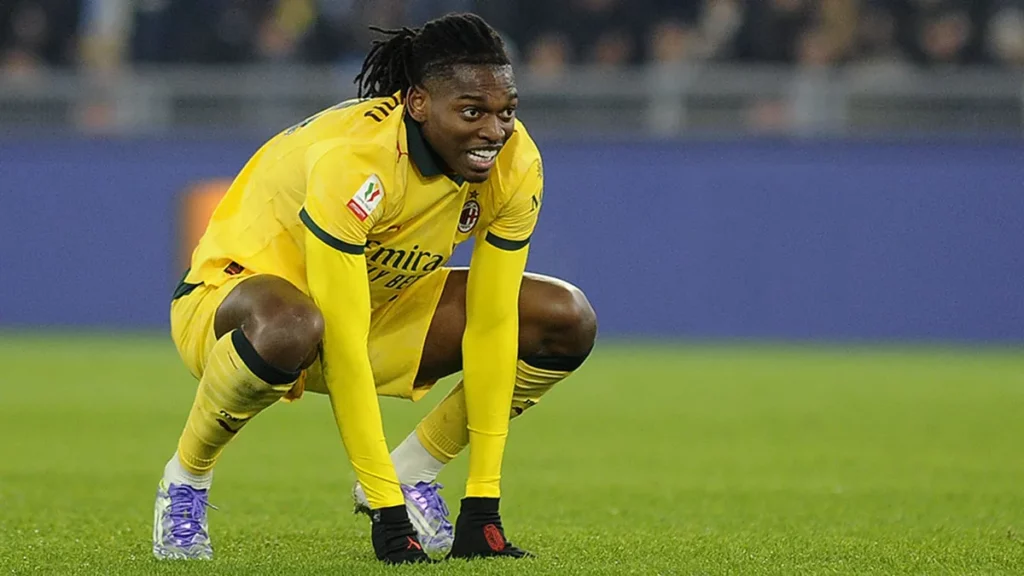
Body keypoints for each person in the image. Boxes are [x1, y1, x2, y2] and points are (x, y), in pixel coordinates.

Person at [153, 12, 597, 564]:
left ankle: (416, 470)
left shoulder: (516, 163)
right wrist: (389, 517)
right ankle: (186, 479)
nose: (494, 131)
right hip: (235, 308)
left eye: (506, 111)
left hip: (379, 309)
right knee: (294, 324)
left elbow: (493, 323)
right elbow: (340, 338)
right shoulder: (357, 161)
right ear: (418, 103)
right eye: (472, 112)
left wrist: (483, 505)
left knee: (563, 317)